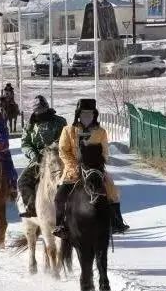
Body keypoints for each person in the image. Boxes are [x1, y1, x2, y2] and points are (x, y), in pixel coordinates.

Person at [53, 99, 129, 238]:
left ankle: (116, 221)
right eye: (84, 114)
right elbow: (63, 151)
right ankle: (60, 225)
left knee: (111, 189)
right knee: (60, 196)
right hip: (73, 170)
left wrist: (96, 166)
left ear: (95, 115)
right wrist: (75, 166)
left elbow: (105, 153)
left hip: (94, 169)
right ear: (78, 115)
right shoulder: (68, 130)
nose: (87, 117)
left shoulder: (101, 132)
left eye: (90, 114)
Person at [17, 95, 67, 218]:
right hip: (38, 160)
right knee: (23, 180)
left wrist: (53, 149)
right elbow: (25, 143)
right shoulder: (30, 125)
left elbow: (64, 139)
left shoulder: (59, 121)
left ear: (47, 108)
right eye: (37, 110)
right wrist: (33, 154)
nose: (40, 113)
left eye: (42, 110)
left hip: (57, 157)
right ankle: (32, 206)